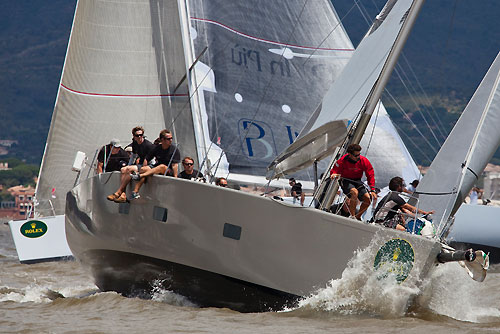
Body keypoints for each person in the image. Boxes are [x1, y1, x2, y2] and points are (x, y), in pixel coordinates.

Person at [107, 126, 155, 203]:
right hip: (140, 164)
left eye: (141, 135)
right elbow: (133, 156)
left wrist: (142, 169)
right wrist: (128, 165)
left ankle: (119, 192)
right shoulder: (135, 144)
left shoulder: (148, 145)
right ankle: (123, 194)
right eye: (137, 135)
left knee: (129, 169)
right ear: (134, 136)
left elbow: (151, 160)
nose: (139, 137)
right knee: (123, 169)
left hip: (148, 165)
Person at [129, 129, 181, 200]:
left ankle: (140, 176)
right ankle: (135, 192)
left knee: (161, 166)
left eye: (171, 138)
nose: (171, 140)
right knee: (144, 169)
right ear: (162, 139)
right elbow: (147, 158)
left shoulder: (174, 150)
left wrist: (175, 178)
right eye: (168, 139)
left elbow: (175, 165)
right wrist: (143, 168)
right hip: (156, 168)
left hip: (168, 170)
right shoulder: (157, 148)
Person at [330, 143, 377, 220]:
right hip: (346, 180)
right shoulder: (342, 160)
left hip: (357, 181)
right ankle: (352, 216)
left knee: (368, 198)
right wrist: (333, 174)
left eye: (359, 154)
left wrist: (372, 189)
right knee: (354, 192)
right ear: (349, 154)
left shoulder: (363, 160)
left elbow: (370, 174)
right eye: (356, 155)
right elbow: (334, 170)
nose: (358, 157)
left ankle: (358, 217)